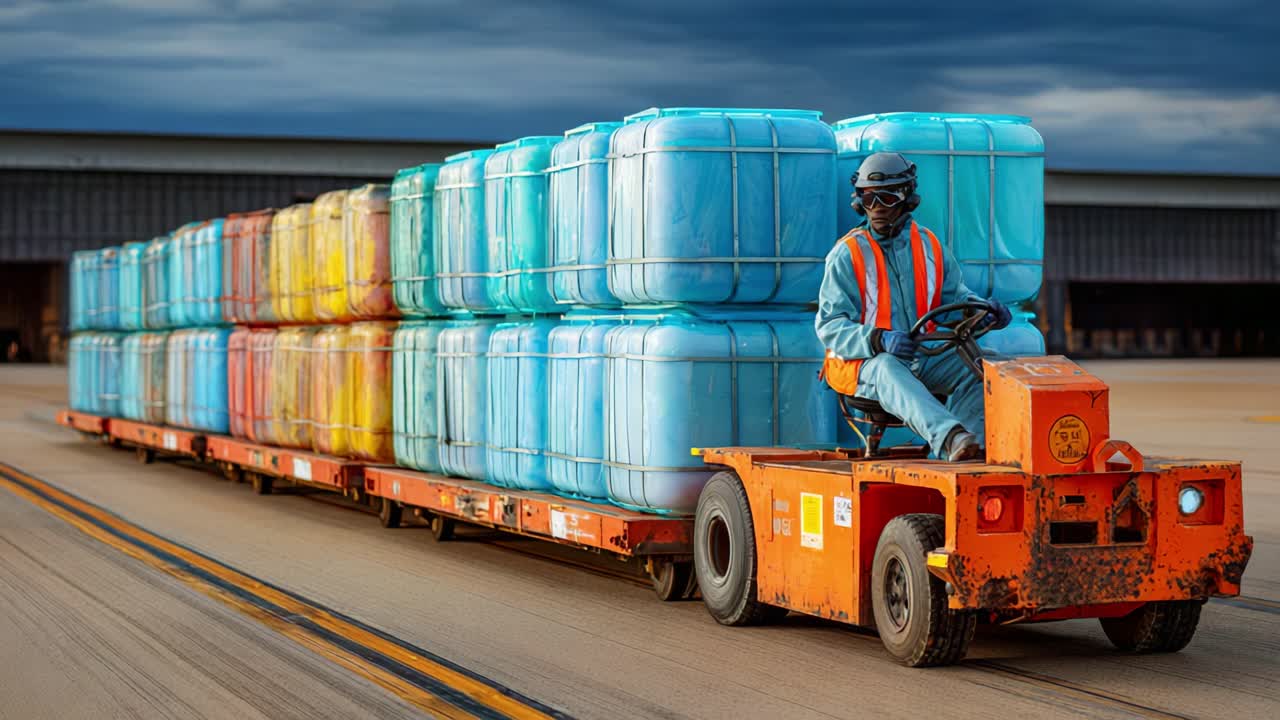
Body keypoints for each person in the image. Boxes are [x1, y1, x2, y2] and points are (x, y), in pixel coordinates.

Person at [816, 152, 1011, 461]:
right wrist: (878, 339)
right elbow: (829, 325)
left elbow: (953, 300)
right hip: (863, 363)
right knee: (888, 367)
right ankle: (949, 437)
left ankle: (965, 453)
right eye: (868, 198)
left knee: (985, 366)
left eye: (888, 197)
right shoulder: (847, 253)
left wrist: (982, 310)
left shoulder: (930, 245)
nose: (877, 207)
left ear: (907, 198)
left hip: (923, 355)